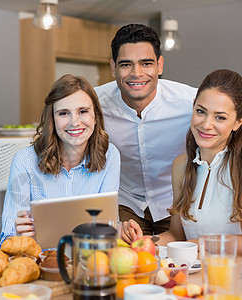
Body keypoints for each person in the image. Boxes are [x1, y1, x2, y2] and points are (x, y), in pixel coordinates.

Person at [121, 69, 242, 259]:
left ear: (238, 122)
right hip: (196, 271)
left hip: (239, 273)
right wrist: (145, 241)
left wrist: (201, 243)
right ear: (193, 107)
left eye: (220, 117)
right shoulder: (181, 166)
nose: (206, 124)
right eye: (201, 111)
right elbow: (176, 235)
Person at [95, 24, 197, 235]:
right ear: (113, 67)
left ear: (159, 65)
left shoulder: (191, 103)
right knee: (119, 258)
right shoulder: (92, 104)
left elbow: (231, 144)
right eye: (126, 64)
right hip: (125, 203)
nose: (136, 73)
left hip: (176, 202)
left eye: (146, 63)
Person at [0, 74, 121, 244]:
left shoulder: (110, 155)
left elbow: (108, 229)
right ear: (52, 120)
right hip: (40, 262)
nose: (75, 122)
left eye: (83, 111)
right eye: (64, 113)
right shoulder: (25, 161)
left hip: (89, 260)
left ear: (95, 117)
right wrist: (20, 237)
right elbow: (8, 238)